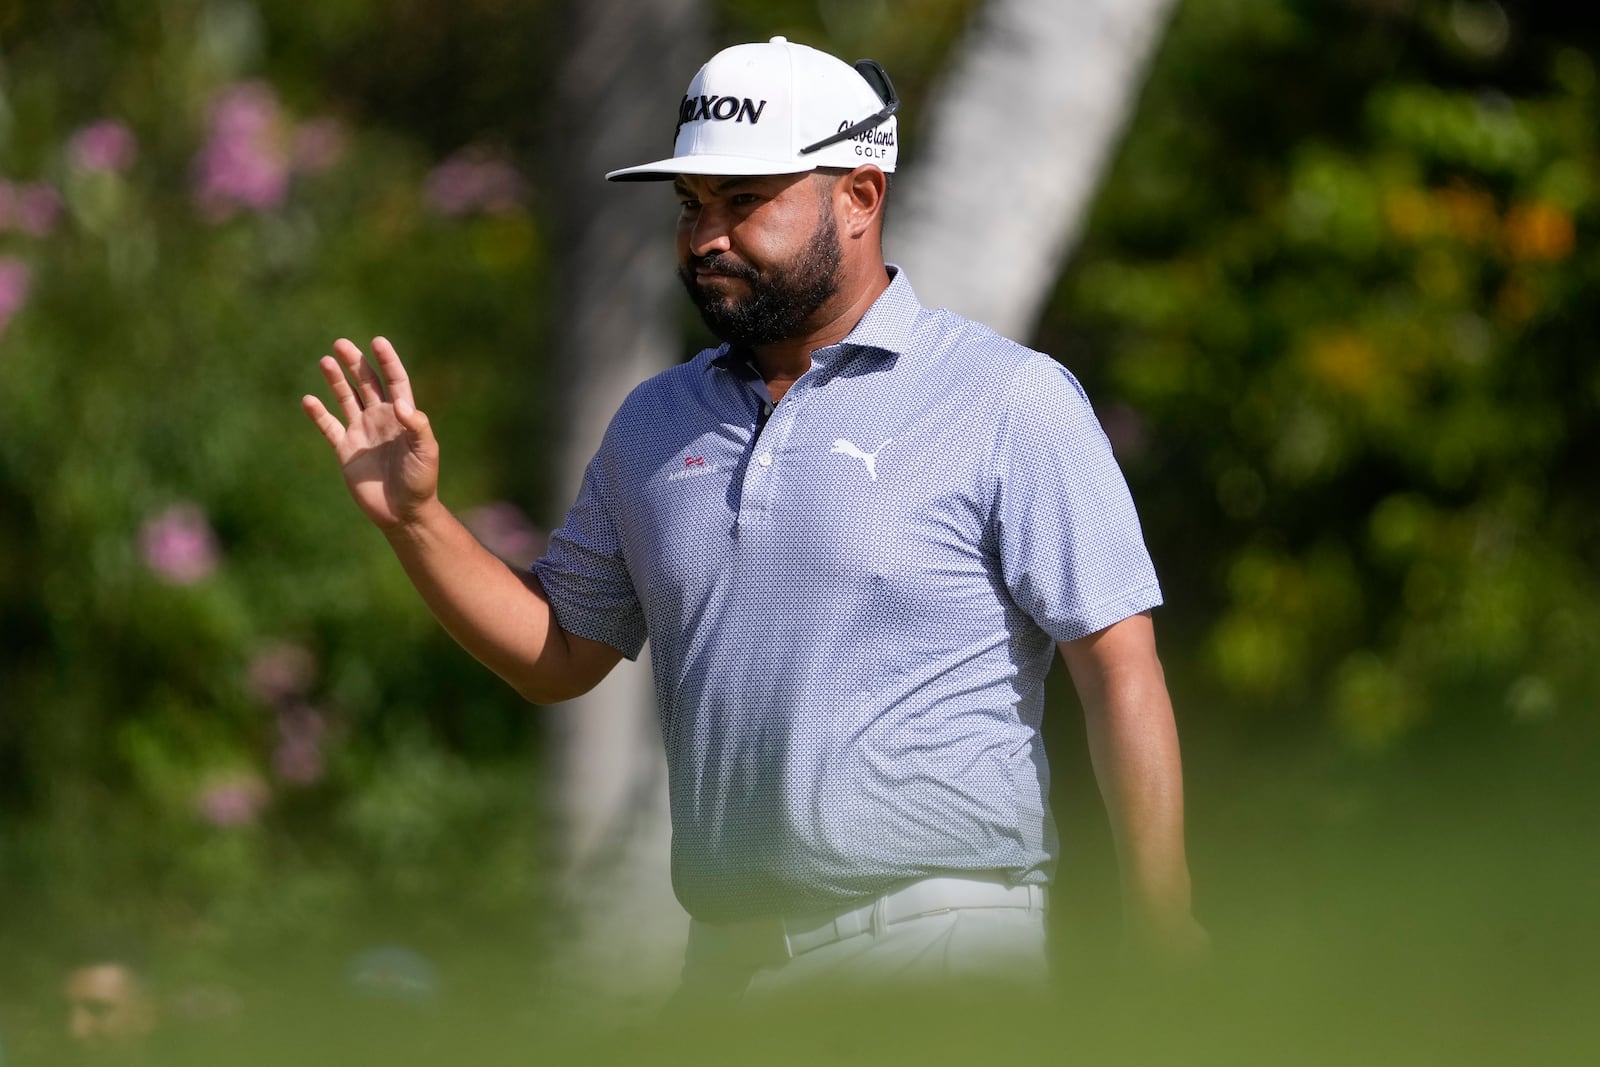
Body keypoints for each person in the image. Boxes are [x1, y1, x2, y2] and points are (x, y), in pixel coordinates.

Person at [303, 36, 1205, 1000]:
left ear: (859, 196)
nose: (706, 237)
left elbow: (1118, 666)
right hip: (726, 969)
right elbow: (561, 655)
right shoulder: (654, 422)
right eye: (692, 207)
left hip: (937, 947)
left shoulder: (1005, 397)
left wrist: (1161, 920)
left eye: (744, 201)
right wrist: (417, 519)